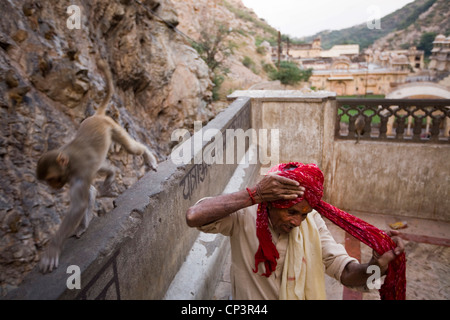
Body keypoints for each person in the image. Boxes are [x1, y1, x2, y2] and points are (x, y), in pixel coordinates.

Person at [186, 162, 405, 300]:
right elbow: (194, 216)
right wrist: (254, 194)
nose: (298, 222)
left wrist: (376, 267)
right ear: (271, 203)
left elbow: (346, 273)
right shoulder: (244, 215)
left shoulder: (313, 223)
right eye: (291, 212)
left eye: (304, 213)